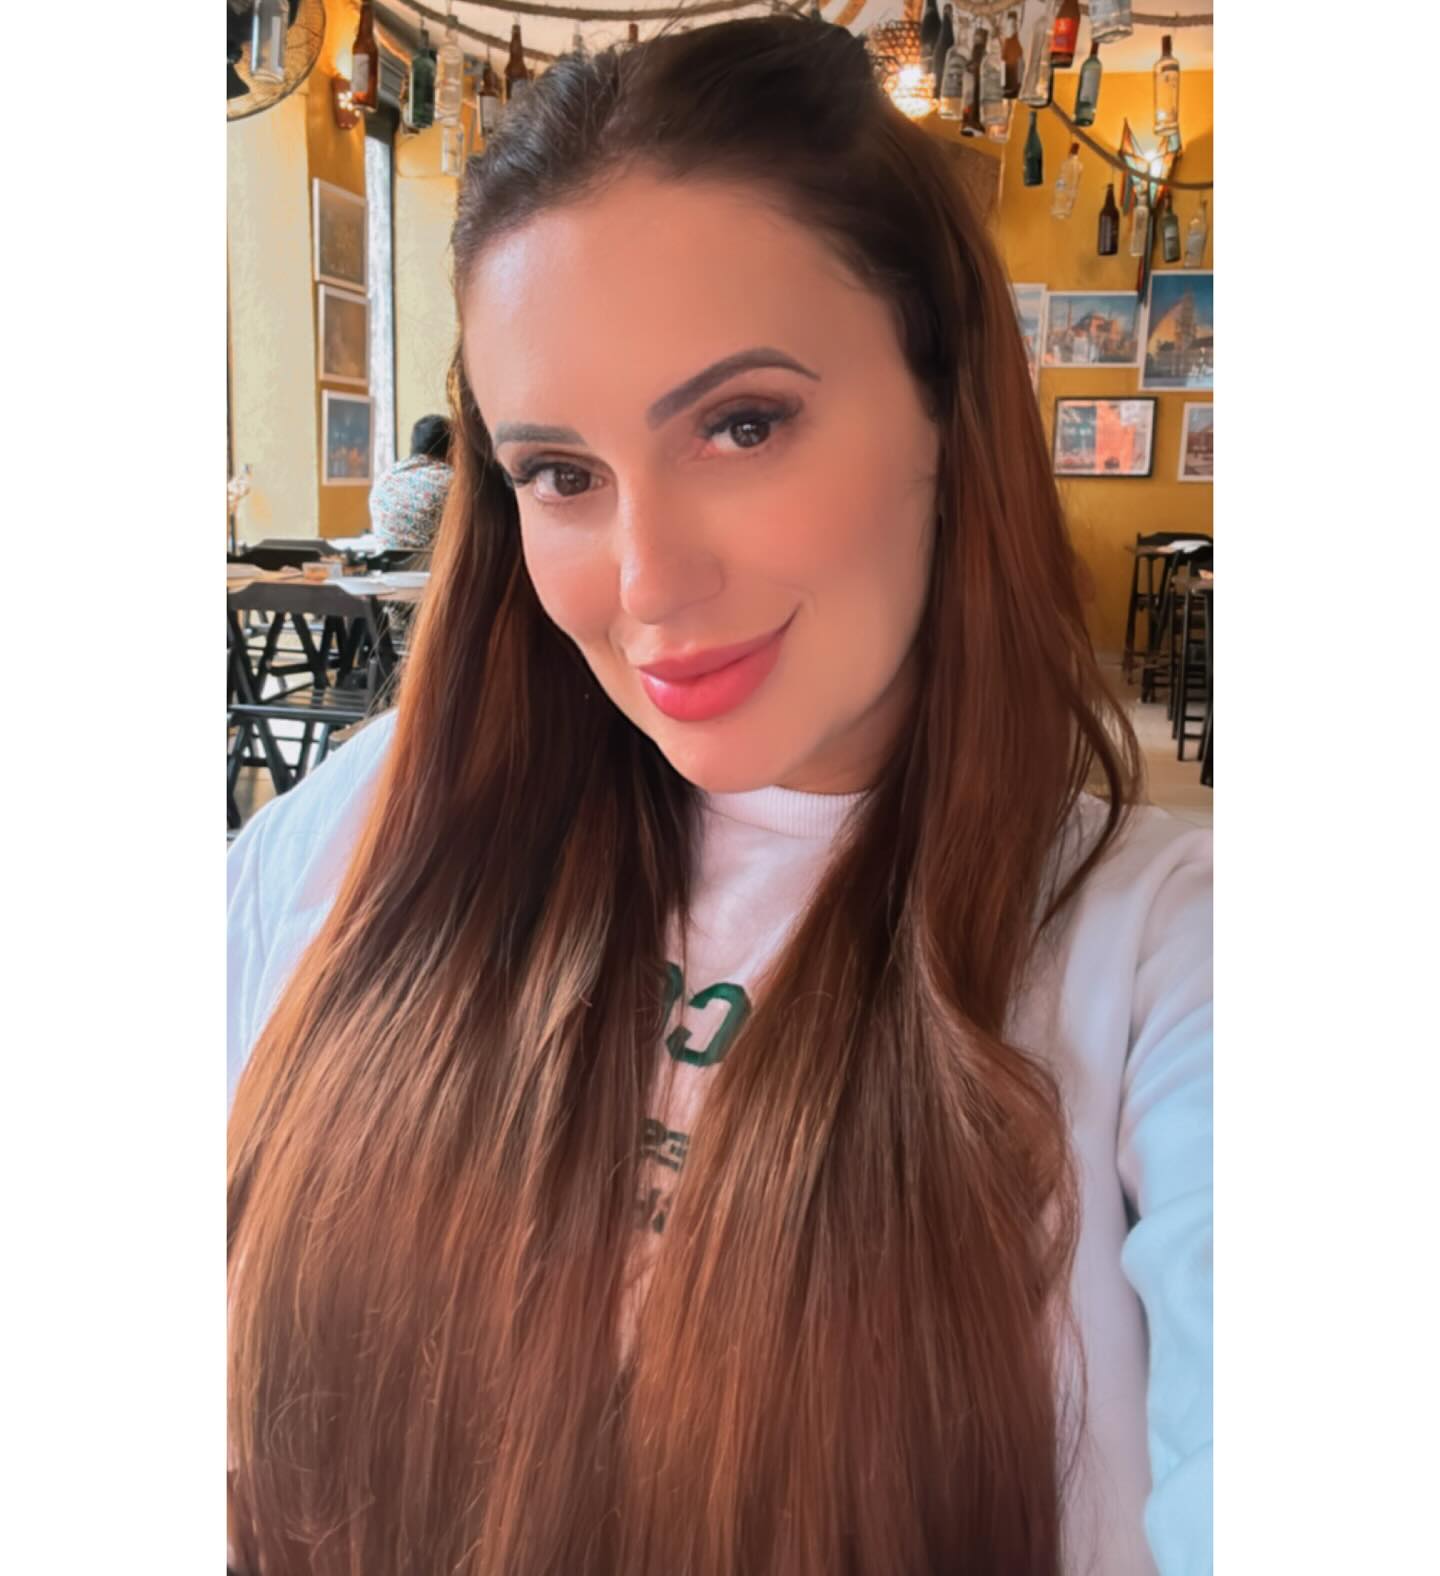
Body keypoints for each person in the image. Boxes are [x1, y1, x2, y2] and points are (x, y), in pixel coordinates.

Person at [227, 17, 1210, 1576]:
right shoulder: (360, 839)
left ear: (949, 413)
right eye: (561, 474)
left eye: (744, 426)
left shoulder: (1165, 957)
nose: (647, 583)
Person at [367, 412, 453, 550]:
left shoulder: (384, 480)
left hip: (387, 563)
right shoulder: (453, 484)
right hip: (434, 563)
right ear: (452, 449)